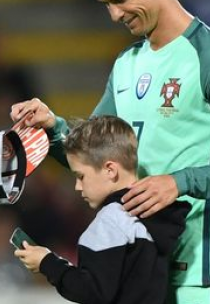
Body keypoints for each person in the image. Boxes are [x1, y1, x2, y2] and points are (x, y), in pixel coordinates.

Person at [10, 0, 210, 303]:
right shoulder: (126, 65)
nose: (115, 15)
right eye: (106, 5)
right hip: (139, 274)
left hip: (196, 271)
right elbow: (94, 160)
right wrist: (53, 127)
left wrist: (178, 183)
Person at [14, 115, 191, 304]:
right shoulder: (152, 215)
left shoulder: (112, 220)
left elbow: (92, 291)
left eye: (81, 176)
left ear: (110, 170)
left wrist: (47, 263)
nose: (77, 187)